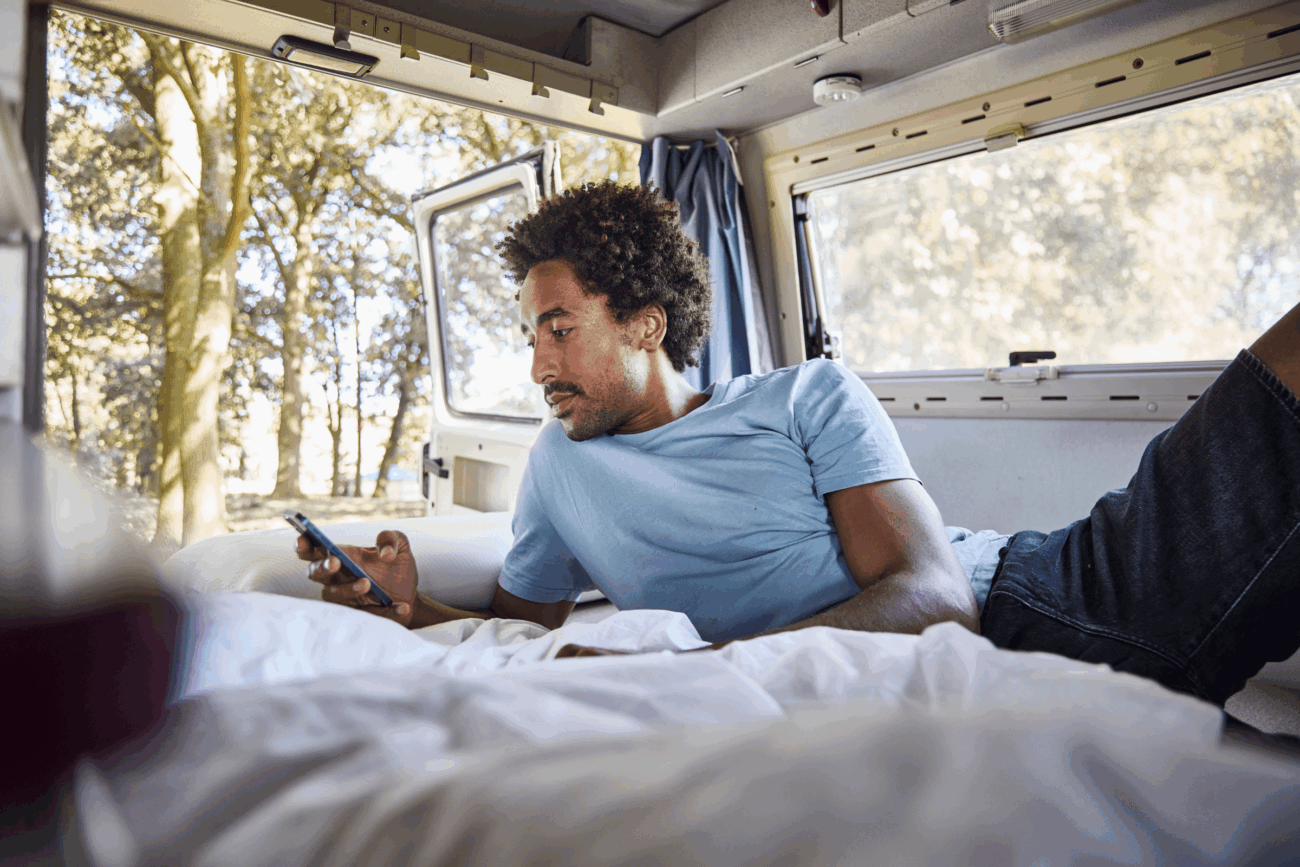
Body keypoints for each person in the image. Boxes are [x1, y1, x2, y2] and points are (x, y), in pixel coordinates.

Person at [297, 181, 1300, 707]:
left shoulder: (804, 396)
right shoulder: (558, 466)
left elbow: (932, 596)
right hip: (926, 662)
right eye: (528, 335)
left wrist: (704, 666)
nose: (535, 364)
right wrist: (405, 603)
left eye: (557, 326)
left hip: (1034, 596)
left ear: (644, 322)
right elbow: (521, 629)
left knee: (1268, 413)